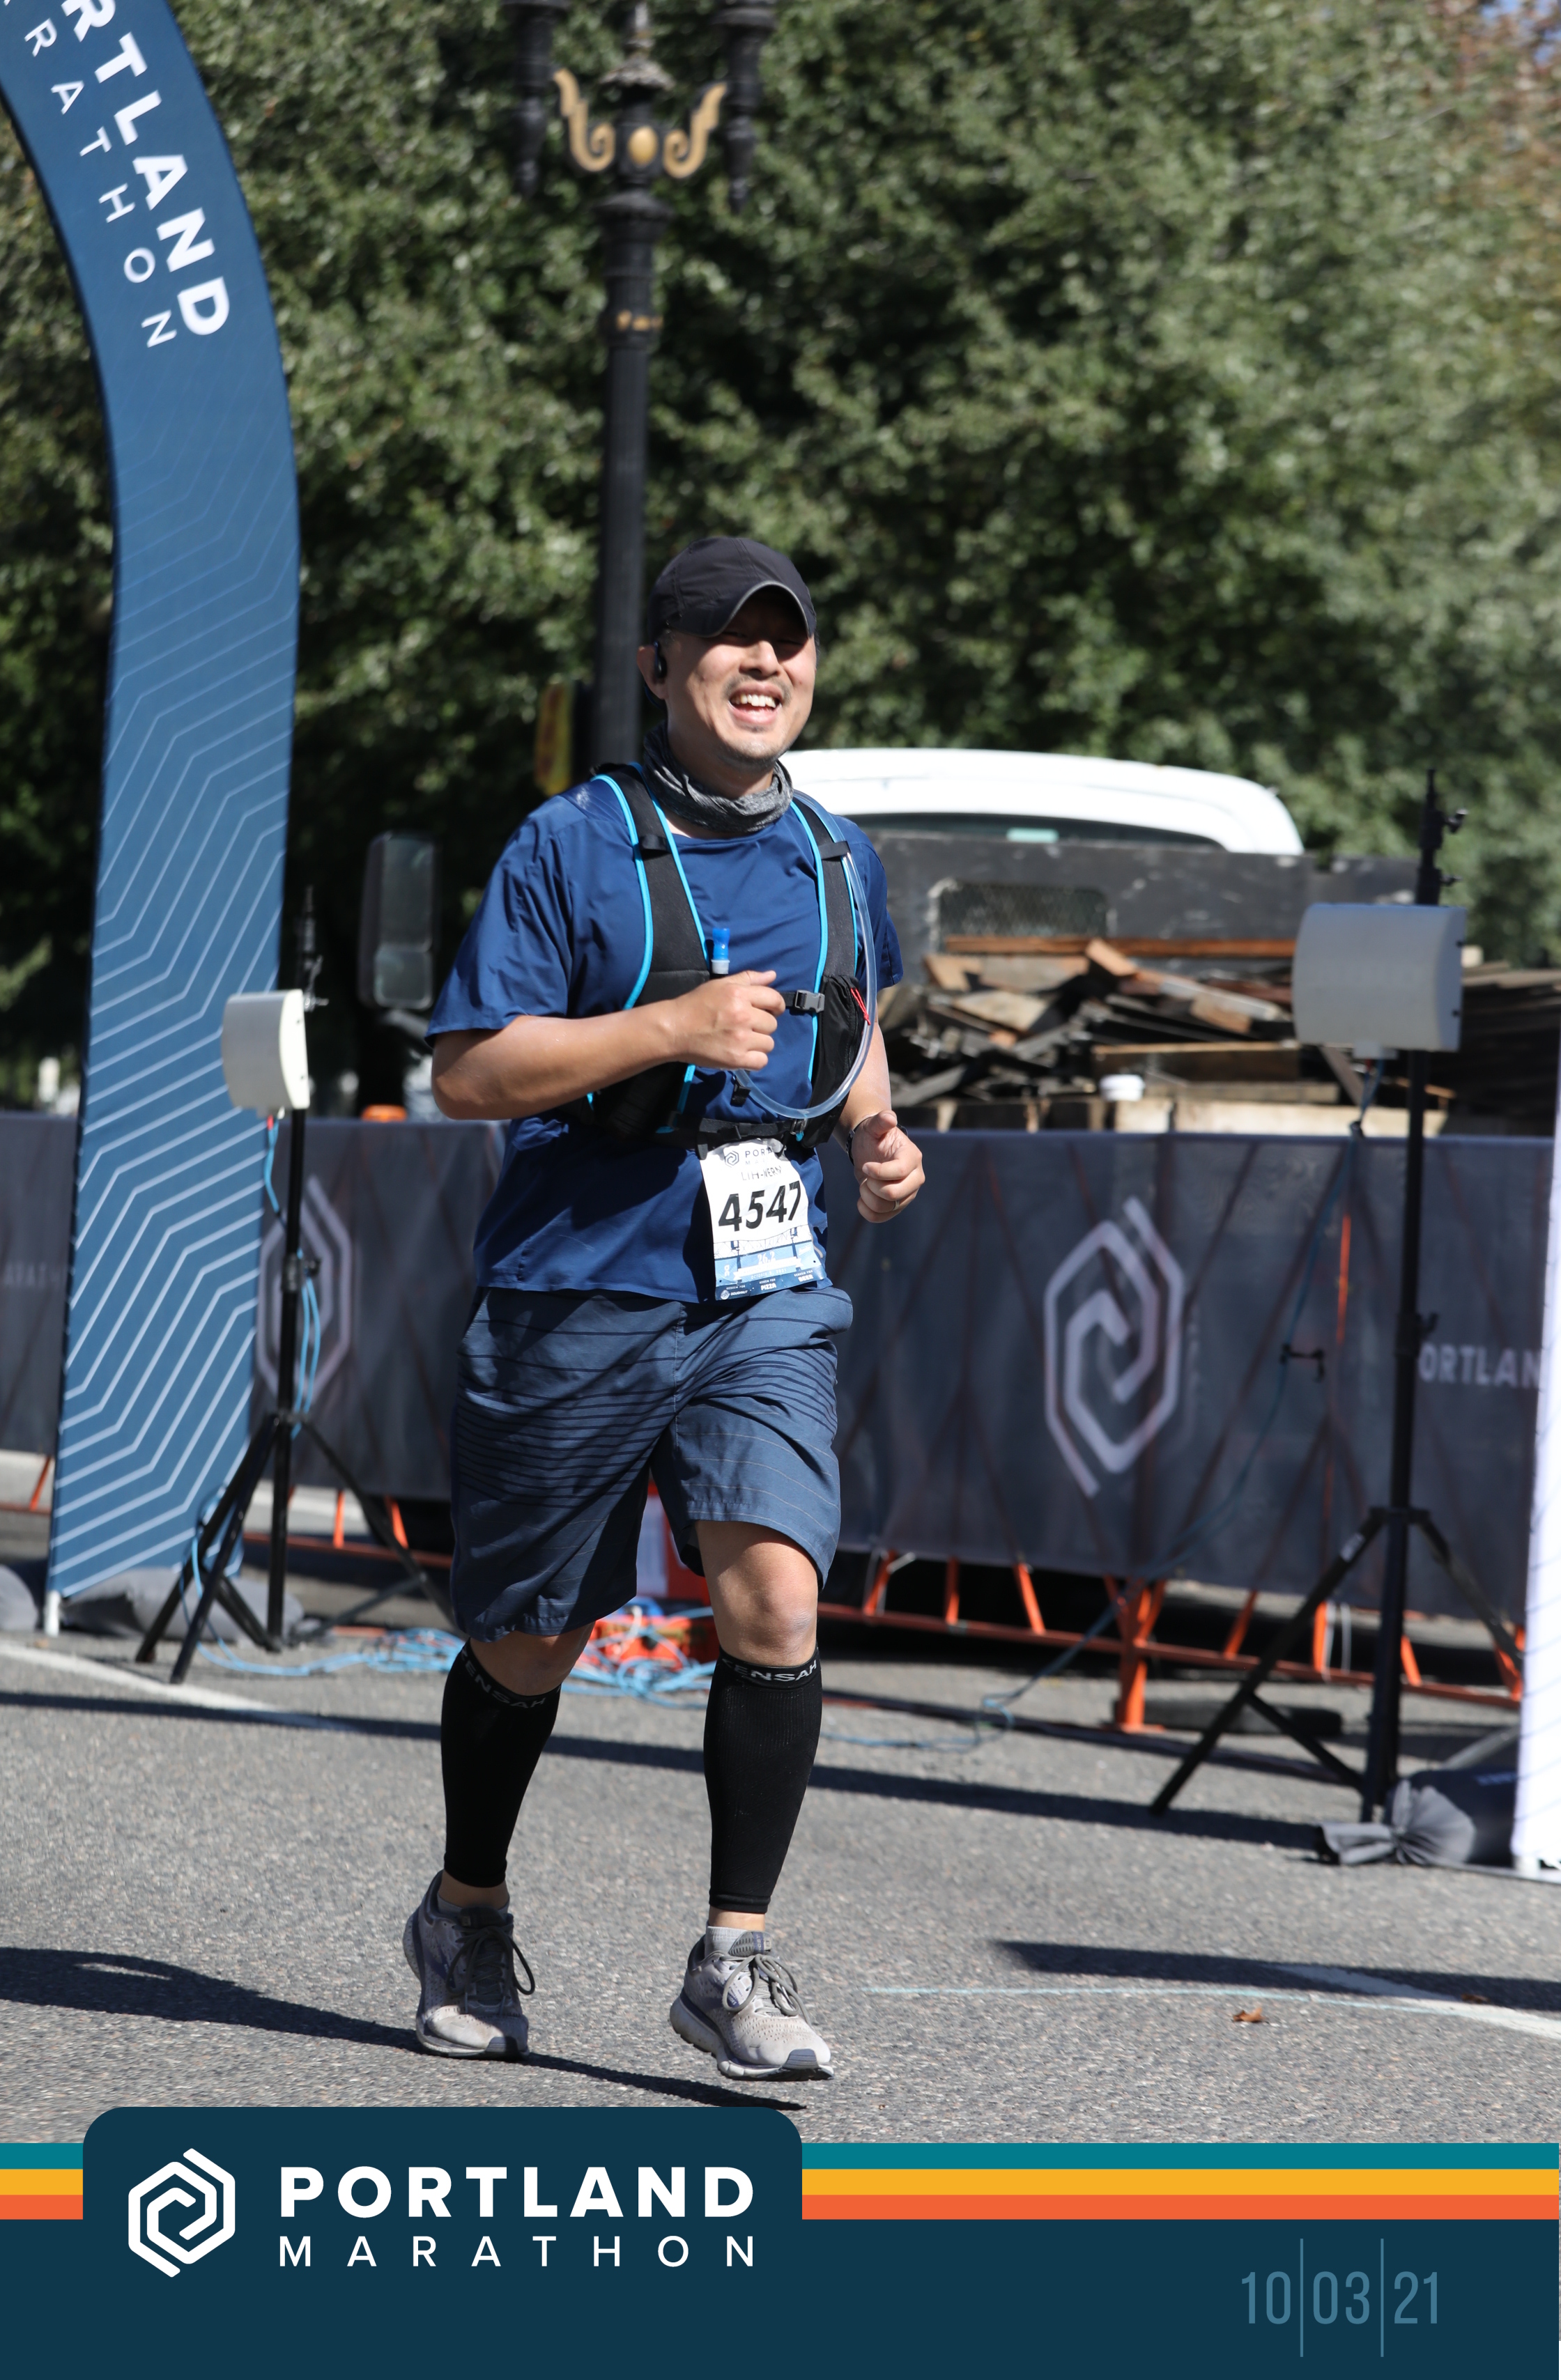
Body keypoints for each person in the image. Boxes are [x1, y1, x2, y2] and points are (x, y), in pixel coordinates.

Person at [402, 534, 924, 2080]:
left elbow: (854, 1018)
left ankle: (731, 1959)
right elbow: (467, 1073)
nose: (765, 665)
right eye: (729, 640)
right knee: (532, 1640)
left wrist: (877, 1131)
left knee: (774, 1599)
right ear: (659, 665)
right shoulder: (571, 842)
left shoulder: (838, 854)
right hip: (577, 1283)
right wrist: (668, 1027)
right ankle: (465, 1909)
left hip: (764, 1286)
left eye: (788, 641)